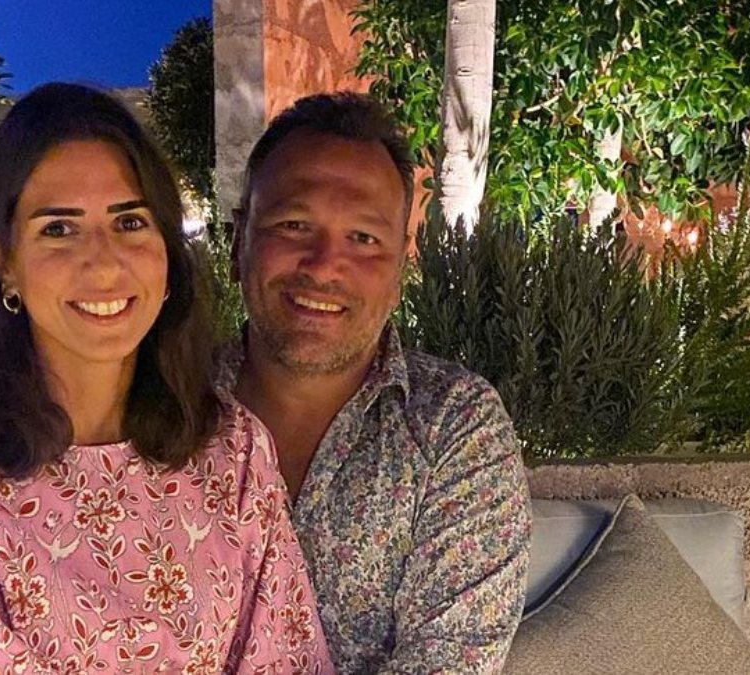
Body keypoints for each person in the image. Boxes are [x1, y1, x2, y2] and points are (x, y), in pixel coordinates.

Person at [0, 83, 333, 674]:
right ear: (3, 261)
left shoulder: (233, 451)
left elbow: (287, 656)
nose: (104, 262)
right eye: (59, 229)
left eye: (130, 221)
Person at [220, 92, 532, 673]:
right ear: (240, 239)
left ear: (400, 267)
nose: (323, 265)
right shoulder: (163, 406)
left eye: (363, 238)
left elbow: (450, 661)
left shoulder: (452, 427)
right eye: (294, 224)